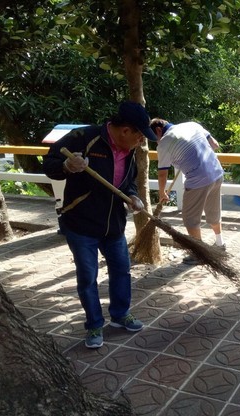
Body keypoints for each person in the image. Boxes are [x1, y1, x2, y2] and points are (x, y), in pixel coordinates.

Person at [43, 101, 157, 348]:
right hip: (82, 224)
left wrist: (133, 195)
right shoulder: (83, 137)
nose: (141, 141)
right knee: (88, 278)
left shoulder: (130, 151)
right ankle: (94, 325)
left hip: (113, 224)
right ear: (125, 131)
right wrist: (66, 165)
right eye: (139, 135)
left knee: (121, 271)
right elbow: (49, 163)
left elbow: (127, 182)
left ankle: (120, 315)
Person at [150, 118, 225, 264]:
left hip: (198, 181)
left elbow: (162, 173)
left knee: (190, 219)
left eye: (154, 138)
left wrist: (162, 192)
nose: (156, 141)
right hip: (216, 173)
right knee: (213, 211)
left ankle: (200, 254)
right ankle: (220, 244)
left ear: (158, 130)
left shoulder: (165, 142)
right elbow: (214, 145)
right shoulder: (192, 125)